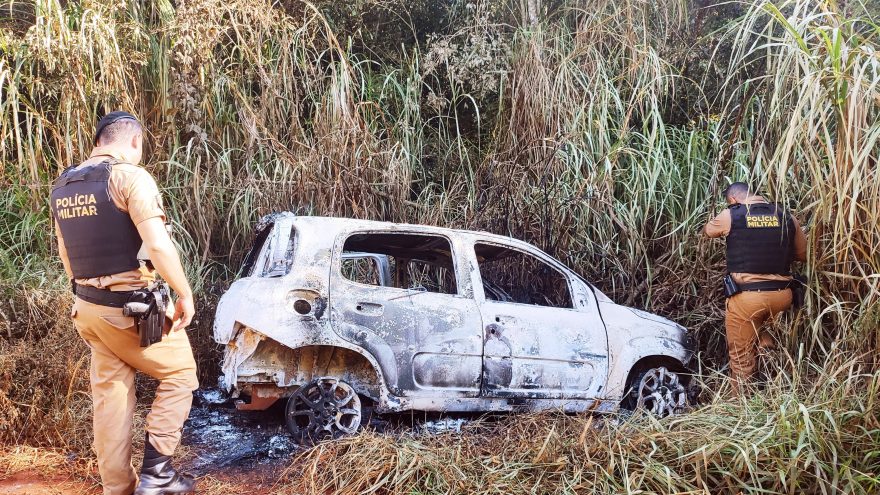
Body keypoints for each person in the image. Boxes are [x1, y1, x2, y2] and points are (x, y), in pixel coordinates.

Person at [51, 111, 198, 495]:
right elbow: (159, 244)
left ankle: (118, 488)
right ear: (134, 141)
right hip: (129, 310)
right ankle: (158, 474)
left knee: (111, 399)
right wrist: (184, 293)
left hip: (87, 309)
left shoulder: (64, 185)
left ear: (99, 141)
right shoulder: (130, 176)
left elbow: (66, 256)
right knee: (181, 374)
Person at [704, 182, 807, 391]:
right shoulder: (787, 216)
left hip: (747, 298)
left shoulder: (732, 214)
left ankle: (740, 407)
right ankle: (768, 352)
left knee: (741, 355)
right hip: (783, 297)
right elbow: (803, 255)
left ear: (733, 199)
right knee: (761, 330)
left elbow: (708, 231)